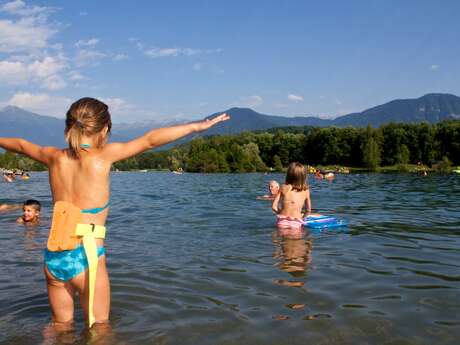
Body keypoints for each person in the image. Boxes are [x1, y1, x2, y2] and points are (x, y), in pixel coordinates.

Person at [0, 97, 229, 330]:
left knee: (60, 327)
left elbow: (19, 144)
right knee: (100, 330)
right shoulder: (104, 156)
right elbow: (150, 141)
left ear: (68, 126)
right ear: (105, 129)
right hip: (87, 258)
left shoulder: (53, 157)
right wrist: (195, 127)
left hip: (54, 257)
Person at [272, 162, 311, 229]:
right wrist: (302, 217)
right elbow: (308, 210)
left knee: (282, 238)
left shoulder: (283, 187)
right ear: (303, 177)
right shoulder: (306, 191)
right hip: (296, 222)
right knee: (297, 239)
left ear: (288, 175)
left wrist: (281, 213)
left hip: (282, 222)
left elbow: (274, 206)